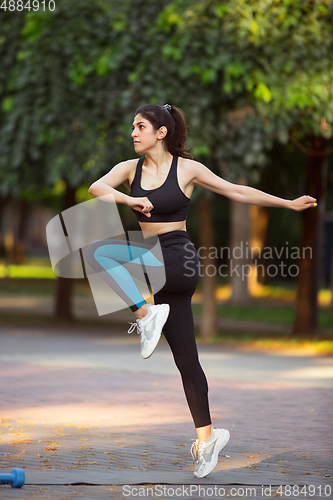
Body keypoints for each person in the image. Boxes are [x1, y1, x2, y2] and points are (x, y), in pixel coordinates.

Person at [86, 103, 317, 478]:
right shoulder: (130, 170)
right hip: (156, 263)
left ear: (161, 132)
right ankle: (208, 438)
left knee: (100, 251)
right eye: (132, 127)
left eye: (140, 126)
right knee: (186, 360)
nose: (133, 132)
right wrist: (130, 199)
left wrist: (287, 204)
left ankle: (146, 316)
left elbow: (236, 192)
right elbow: (96, 187)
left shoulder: (187, 169)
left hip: (178, 257)